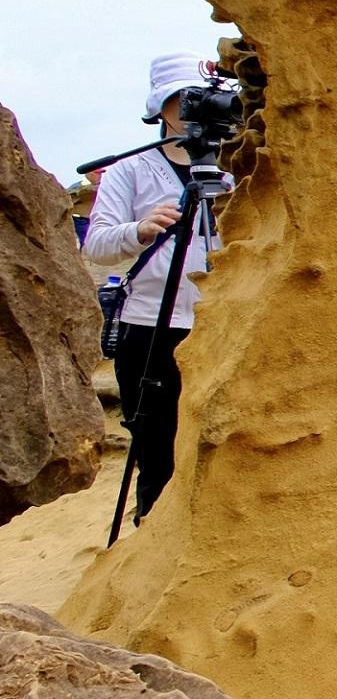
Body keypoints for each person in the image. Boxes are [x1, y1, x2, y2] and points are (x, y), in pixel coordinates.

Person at [83, 53, 232, 520]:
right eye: (181, 98)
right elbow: (98, 246)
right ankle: (150, 532)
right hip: (152, 327)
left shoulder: (237, 164)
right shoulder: (131, 169)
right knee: (157, 453)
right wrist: (141, 229)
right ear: (161, 107)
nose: (191, 108)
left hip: (222, 323)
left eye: (199, 97)